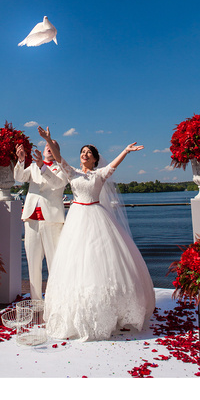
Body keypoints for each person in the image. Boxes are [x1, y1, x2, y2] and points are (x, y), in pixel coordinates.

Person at [41, 142, 155, 341]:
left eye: (89, 153)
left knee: (103, 261)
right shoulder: (72, 173)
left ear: (95, 159)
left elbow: (114, 165)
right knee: (75, 262)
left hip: (97, 217)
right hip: (77, 219)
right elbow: (58, 158)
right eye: (83, 152)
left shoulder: (99, 174)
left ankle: (114, 312)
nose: (85, 154)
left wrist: (125, 151)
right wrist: (49, 140)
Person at [19, 125, 72, 307]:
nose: (49, 148)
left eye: (53, 147)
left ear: (57, 152)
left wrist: (43, 167)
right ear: (42, 151)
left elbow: (57, 184)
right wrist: (20, 160)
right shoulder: (33, 166)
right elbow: (20, 177)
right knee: (33, 262)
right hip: (31, 219)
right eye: (47, 146)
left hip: (52, 220)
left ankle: (55, 300)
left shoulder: (62, 169)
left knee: (54, 262)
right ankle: (36, 301)